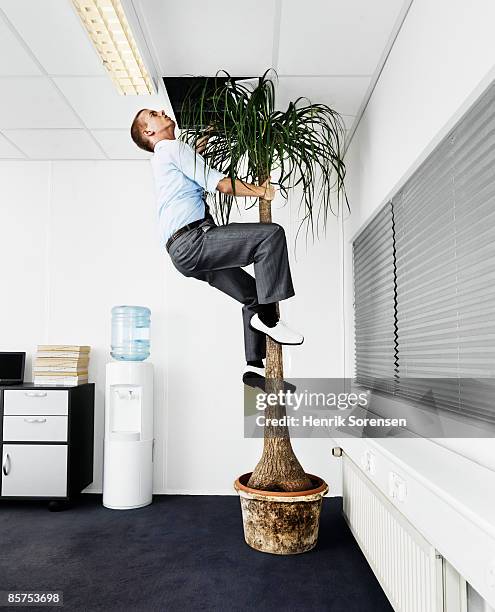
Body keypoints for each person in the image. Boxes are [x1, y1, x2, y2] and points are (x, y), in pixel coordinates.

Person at [130, 108, 303, 383]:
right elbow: (220, 184)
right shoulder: (171, 148)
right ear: (149, 132)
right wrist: (262, 191)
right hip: (193, 241)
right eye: (153, 114)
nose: (162, 112)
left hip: (183, 253)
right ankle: (270, 321)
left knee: (253, 296)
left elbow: (193, 163)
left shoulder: (167, 157)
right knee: (270, 236)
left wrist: (209, 134)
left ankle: (255, 368)